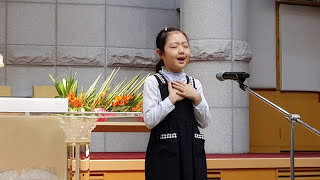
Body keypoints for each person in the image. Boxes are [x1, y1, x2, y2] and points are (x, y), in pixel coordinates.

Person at [143, 27, 211, 180]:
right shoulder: (153, 82)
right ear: (160, 54)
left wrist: (196, 98)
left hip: (192, 150)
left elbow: (205, 122)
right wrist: (170, 100)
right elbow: (149, 121)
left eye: (185, 46)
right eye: (174, 47)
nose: (181, 51)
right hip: (165, 153)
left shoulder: (195, 84)